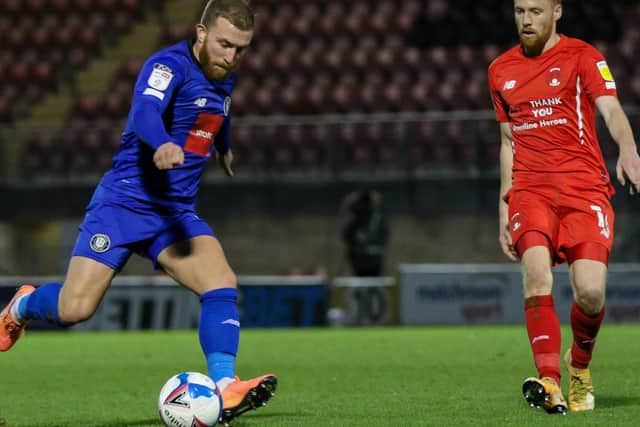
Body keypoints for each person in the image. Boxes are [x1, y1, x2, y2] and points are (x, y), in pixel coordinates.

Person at [0, 0, 276, 424]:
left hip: (174, 212)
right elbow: (144, 111)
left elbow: (219, 109)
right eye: (224, 44)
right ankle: (22, 306)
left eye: (242, 49)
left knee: (220, 281)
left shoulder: (225, 72)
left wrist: (225, 146)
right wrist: (161, 141)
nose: (232, 56)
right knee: (75, 309)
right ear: (201, 34)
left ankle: (225, 386)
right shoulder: (167, 66)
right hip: (124, 203)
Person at [488, 0, 640, 415]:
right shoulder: (500, 69)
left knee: (590, 294)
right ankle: (549, 381)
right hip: (530, 190)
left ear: (557, 12)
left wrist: (627, 148)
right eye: (519, 11)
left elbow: (610, 108)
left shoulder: (583, 57)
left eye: (535, 11)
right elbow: (507, 142)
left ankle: (579, 366)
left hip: (583, 189)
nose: (525, 20)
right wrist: (505, 204)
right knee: (536, 277)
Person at [341, 190, 389, 277]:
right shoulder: (354, 218)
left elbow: (384, 236)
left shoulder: (377, 218)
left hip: (374, 260)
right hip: (358, 260)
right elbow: (346, 235)